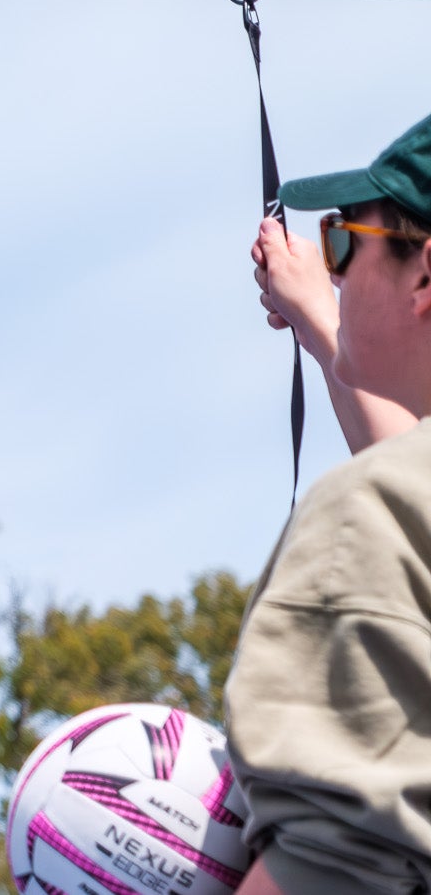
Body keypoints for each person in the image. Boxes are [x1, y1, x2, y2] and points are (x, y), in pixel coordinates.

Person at [227, 114, 431, 895]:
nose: (333, 268)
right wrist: (324, 324)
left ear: (423, 276)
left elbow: (337, 866)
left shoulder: (372, 513)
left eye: (347, 241)